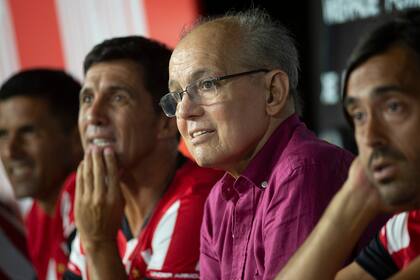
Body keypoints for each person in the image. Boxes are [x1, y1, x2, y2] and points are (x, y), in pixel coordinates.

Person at [160, 8, 361, 279]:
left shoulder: (304, 170)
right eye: (177, 95)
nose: (184, 112)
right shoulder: (219, 200)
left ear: (273, 92)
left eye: (207, 84)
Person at [277, 9, 420, 280]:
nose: (369, 137)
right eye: (359, 116)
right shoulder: (406, 228)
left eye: (393, 107)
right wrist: (356, 193)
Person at [65, 36, 223, 280]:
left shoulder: (202, 198)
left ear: (166, 122)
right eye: (87, 99)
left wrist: (98, 242)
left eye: (118, 98)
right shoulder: (99, 201)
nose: (93, 116)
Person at [0, 69, 82, 279]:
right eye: (3, 135)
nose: (10, 151)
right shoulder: (38, 214)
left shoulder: (88, 199)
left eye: (28, 132)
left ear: (76, 138)